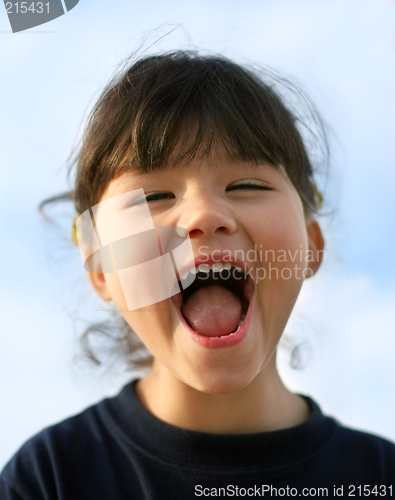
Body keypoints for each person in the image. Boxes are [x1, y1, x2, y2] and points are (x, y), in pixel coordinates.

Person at [1, 51, 394, 499]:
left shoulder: (378, 477)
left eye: (248, 185)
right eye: (154, 195)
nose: (205, 214)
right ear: (101, 269)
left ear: (311, 246)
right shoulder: (50, 480)